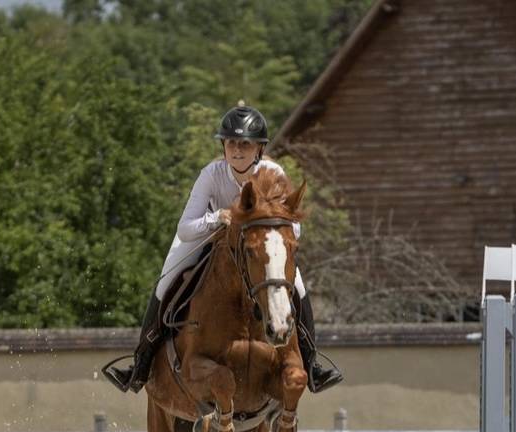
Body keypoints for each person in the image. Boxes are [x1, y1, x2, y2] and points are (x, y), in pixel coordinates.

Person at [103, 103, 342, 394]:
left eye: (245, 143)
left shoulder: (274, 172)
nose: (237, 150)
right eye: (231, 143)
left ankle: (312, 365)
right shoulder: (211, 174)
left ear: (259, 149)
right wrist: (218, 217)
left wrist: (265, 231)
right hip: (209, 239)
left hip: (259, 249)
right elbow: (185, 227)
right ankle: (140, 364)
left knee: (298, 288)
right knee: (166, 280)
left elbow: (294, 227)